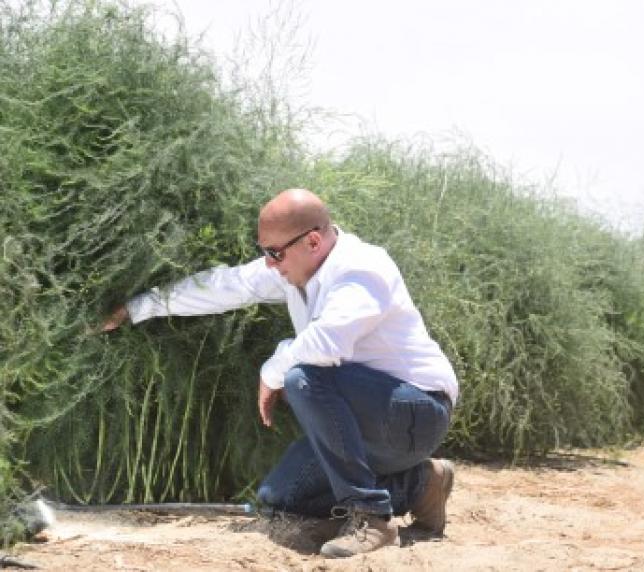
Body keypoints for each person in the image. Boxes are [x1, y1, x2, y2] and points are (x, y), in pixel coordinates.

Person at [102, 188, 458, 558]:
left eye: (274, 252)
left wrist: (273, 370)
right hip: (365, 422)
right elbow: (228, 285)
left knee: (301, 376)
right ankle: (422, 484)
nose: (269, 263)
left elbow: (325, 345)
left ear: (314, 241)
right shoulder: (295, 265)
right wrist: (135, 308)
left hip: (416, 411)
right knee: (280, 501)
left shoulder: (362, 268)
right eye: (264, 252)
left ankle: (372, 519)